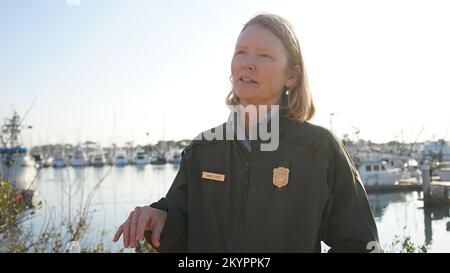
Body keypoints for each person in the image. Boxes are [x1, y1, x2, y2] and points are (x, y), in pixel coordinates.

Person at [113, 13, 379, 253]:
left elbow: (360, 244)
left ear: (292, 76)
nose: (247, 64)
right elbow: (183, 237)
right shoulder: (201, 150)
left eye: (264, 56)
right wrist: (160, 219)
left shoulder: (320, 150)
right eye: (241, 52)